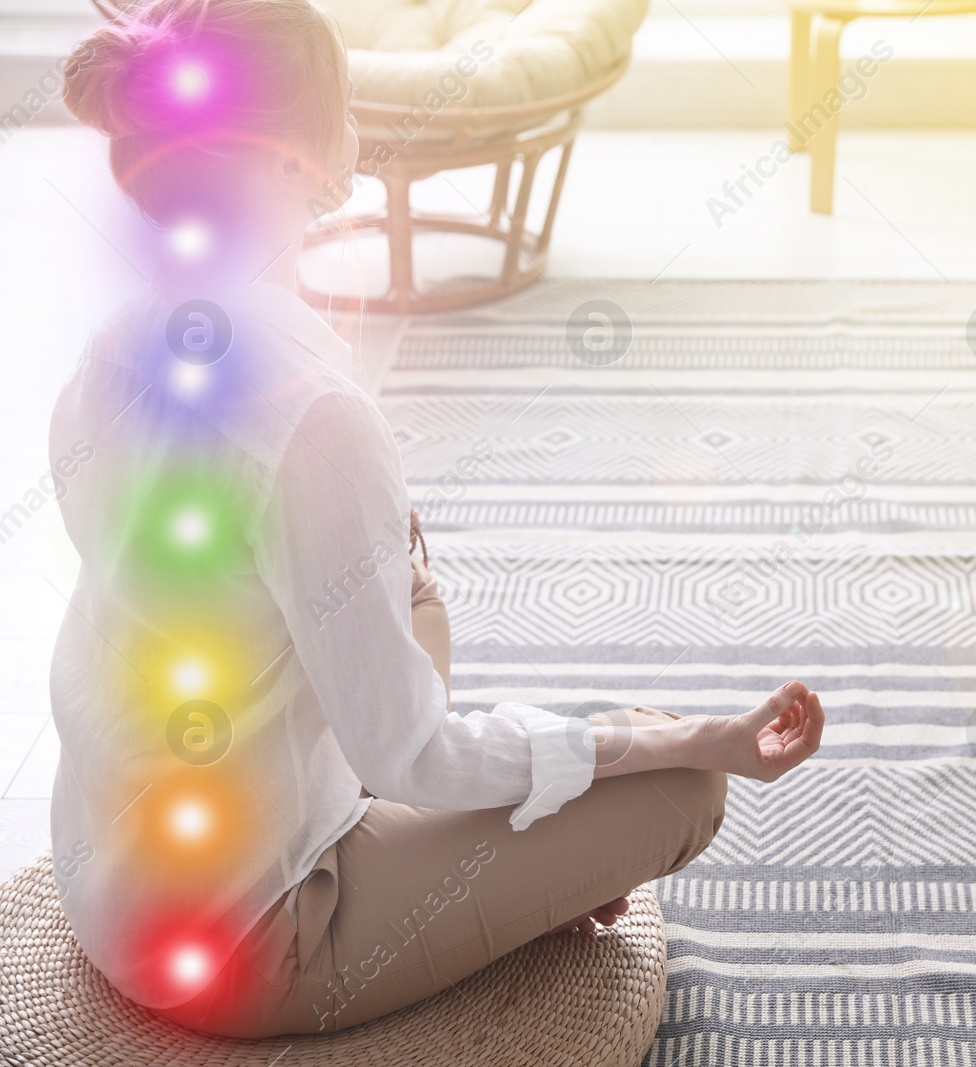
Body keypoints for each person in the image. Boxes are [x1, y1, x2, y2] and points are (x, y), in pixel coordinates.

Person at [50, 0, 824, 1037]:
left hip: (113, 874)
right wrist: (690, 736)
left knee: (403, 579)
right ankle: (514, 864)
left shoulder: (109, 347)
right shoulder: (312, 418)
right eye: (342, 109)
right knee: (682, 788)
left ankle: (485, 844)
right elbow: (413, 758)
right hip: (251, 937)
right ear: (289, 160)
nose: (355, 137)